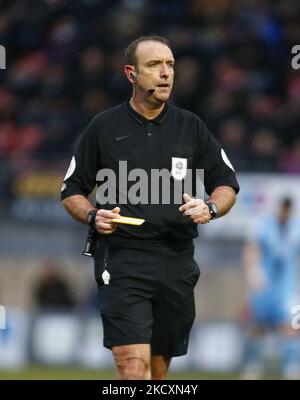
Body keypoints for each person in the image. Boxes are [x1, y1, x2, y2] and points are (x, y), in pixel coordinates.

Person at [61, 35, 239, 380]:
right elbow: (71, 190)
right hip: (122, 259)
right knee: (133, 367)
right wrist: (94, 215)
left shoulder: (191, 126)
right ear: (131, 73)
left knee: (157, 373)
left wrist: (211, 209)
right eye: (154, 65)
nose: (165, 73)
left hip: (176, 259)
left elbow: (226, 183)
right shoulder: (104, 127)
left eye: (170, 65)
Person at [242, 197, 300, 379]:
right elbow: (251, 248)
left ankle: (291, 367)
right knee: (257, 326)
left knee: (290, 326)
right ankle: (252, 366)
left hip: (286, 286)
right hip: (264, 285)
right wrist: (253, 271)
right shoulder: (264, 225)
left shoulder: (296, 227)